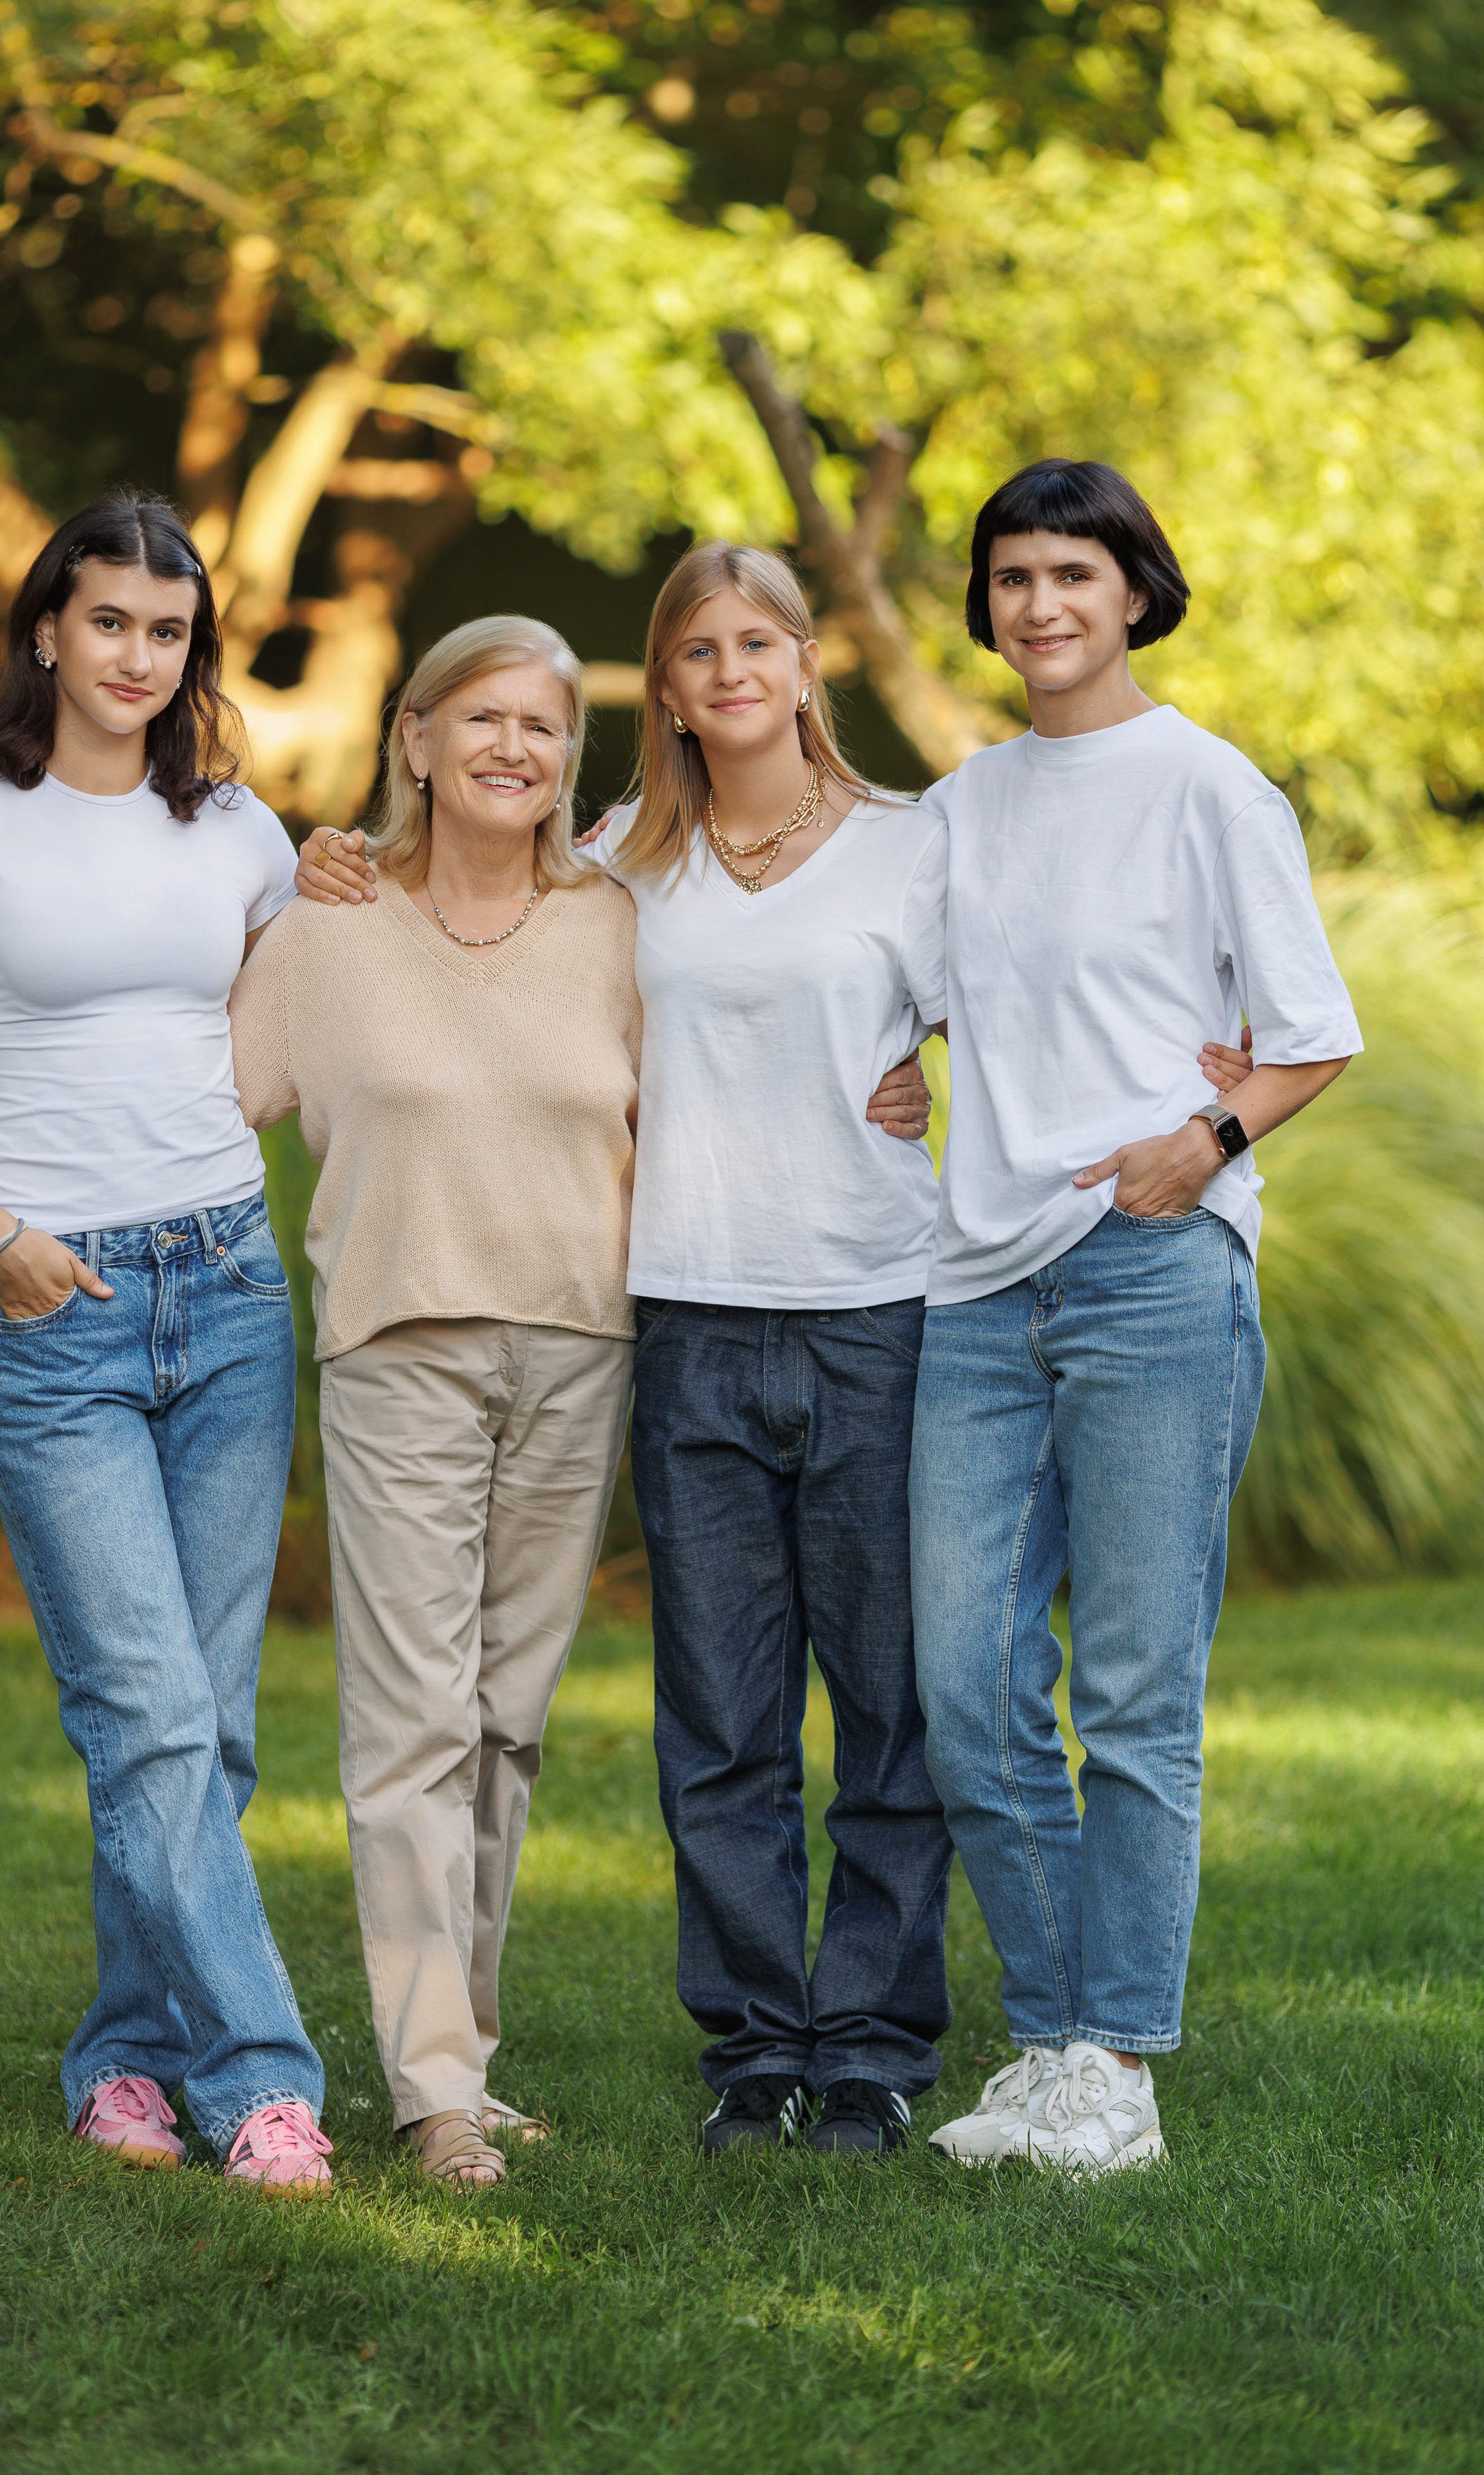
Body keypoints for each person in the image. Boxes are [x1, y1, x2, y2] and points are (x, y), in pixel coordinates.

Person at [303, 547, 952, 2157]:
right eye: (692, 650)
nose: (727, 670)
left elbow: (1018, 1015)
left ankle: (866, 2044)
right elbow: (457, 918)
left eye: (757, 642)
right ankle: (752, 2050)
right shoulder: (614, 864)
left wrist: (941, 1085)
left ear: (808, 665)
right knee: (718, 1720)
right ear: (657, 691)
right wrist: (321, 864)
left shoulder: (908, 850)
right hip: (672, 1315)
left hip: (873, 1309)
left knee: (881, 1705)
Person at [0, 493, 336, 2199]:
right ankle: (263, 2081)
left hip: (232, 1293)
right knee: (144, 1711)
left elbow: (284, 1054)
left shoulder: (246, 836)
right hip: (58, 1311)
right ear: (46, 630)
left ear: (193, 650)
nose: (136, 655)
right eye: (107, 620)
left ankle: (126, 2060)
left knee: (208, 1724)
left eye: (167, 630)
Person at [912, 459, 1361, 2175]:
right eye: (1010, 576)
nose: (1037, 606)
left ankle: (1117, 2066)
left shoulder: (1207, 788)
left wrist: (1204, 1143)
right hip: (975, 1285)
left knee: (1131, 1688)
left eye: (1070, 576)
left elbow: (1307, 1031)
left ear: (1131, 593)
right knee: (962, 1679)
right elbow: (882, 972)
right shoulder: (959, 804)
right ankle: (1057, 2040)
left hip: (1150, 1274)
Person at [230, 617, 642, 2190]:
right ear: (413, 739)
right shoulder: (325, 924)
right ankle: (431, 2091)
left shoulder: (615, 923)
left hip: (577, 1351)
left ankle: (458, 2047)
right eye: (480, 719)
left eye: (542, 729)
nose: (513, 751)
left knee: (505, 1721)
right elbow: (204, 1096)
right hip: (396, 1344)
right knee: (410, 1723)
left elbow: (729, 1076)